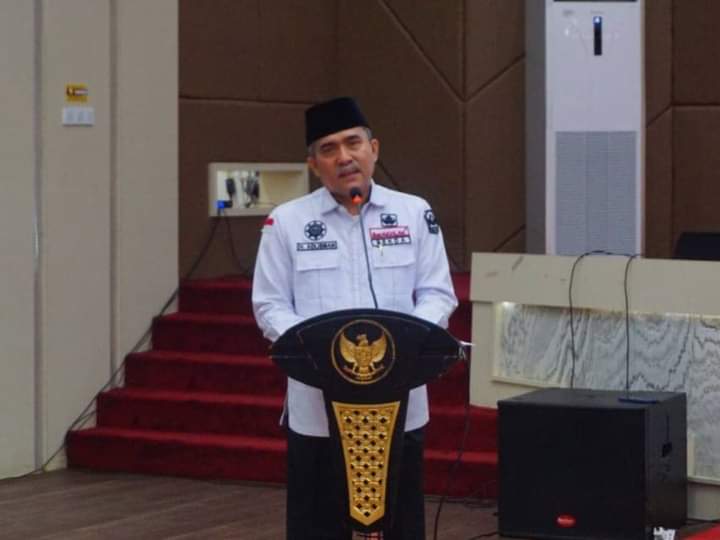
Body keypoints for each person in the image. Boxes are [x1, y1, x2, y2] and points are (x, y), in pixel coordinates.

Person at [252, 96, 457, 540]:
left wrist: (407, 344)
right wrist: (319, 353)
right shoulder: (286, 223)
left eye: (353, 143)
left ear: (374, 149)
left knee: (400, 524)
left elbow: (438, 293)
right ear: (313, 165)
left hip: (398, 403)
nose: (344, 157)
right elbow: (269, 305)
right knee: (317, 526)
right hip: (317, 408)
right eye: (328, 149)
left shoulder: (413, 213)